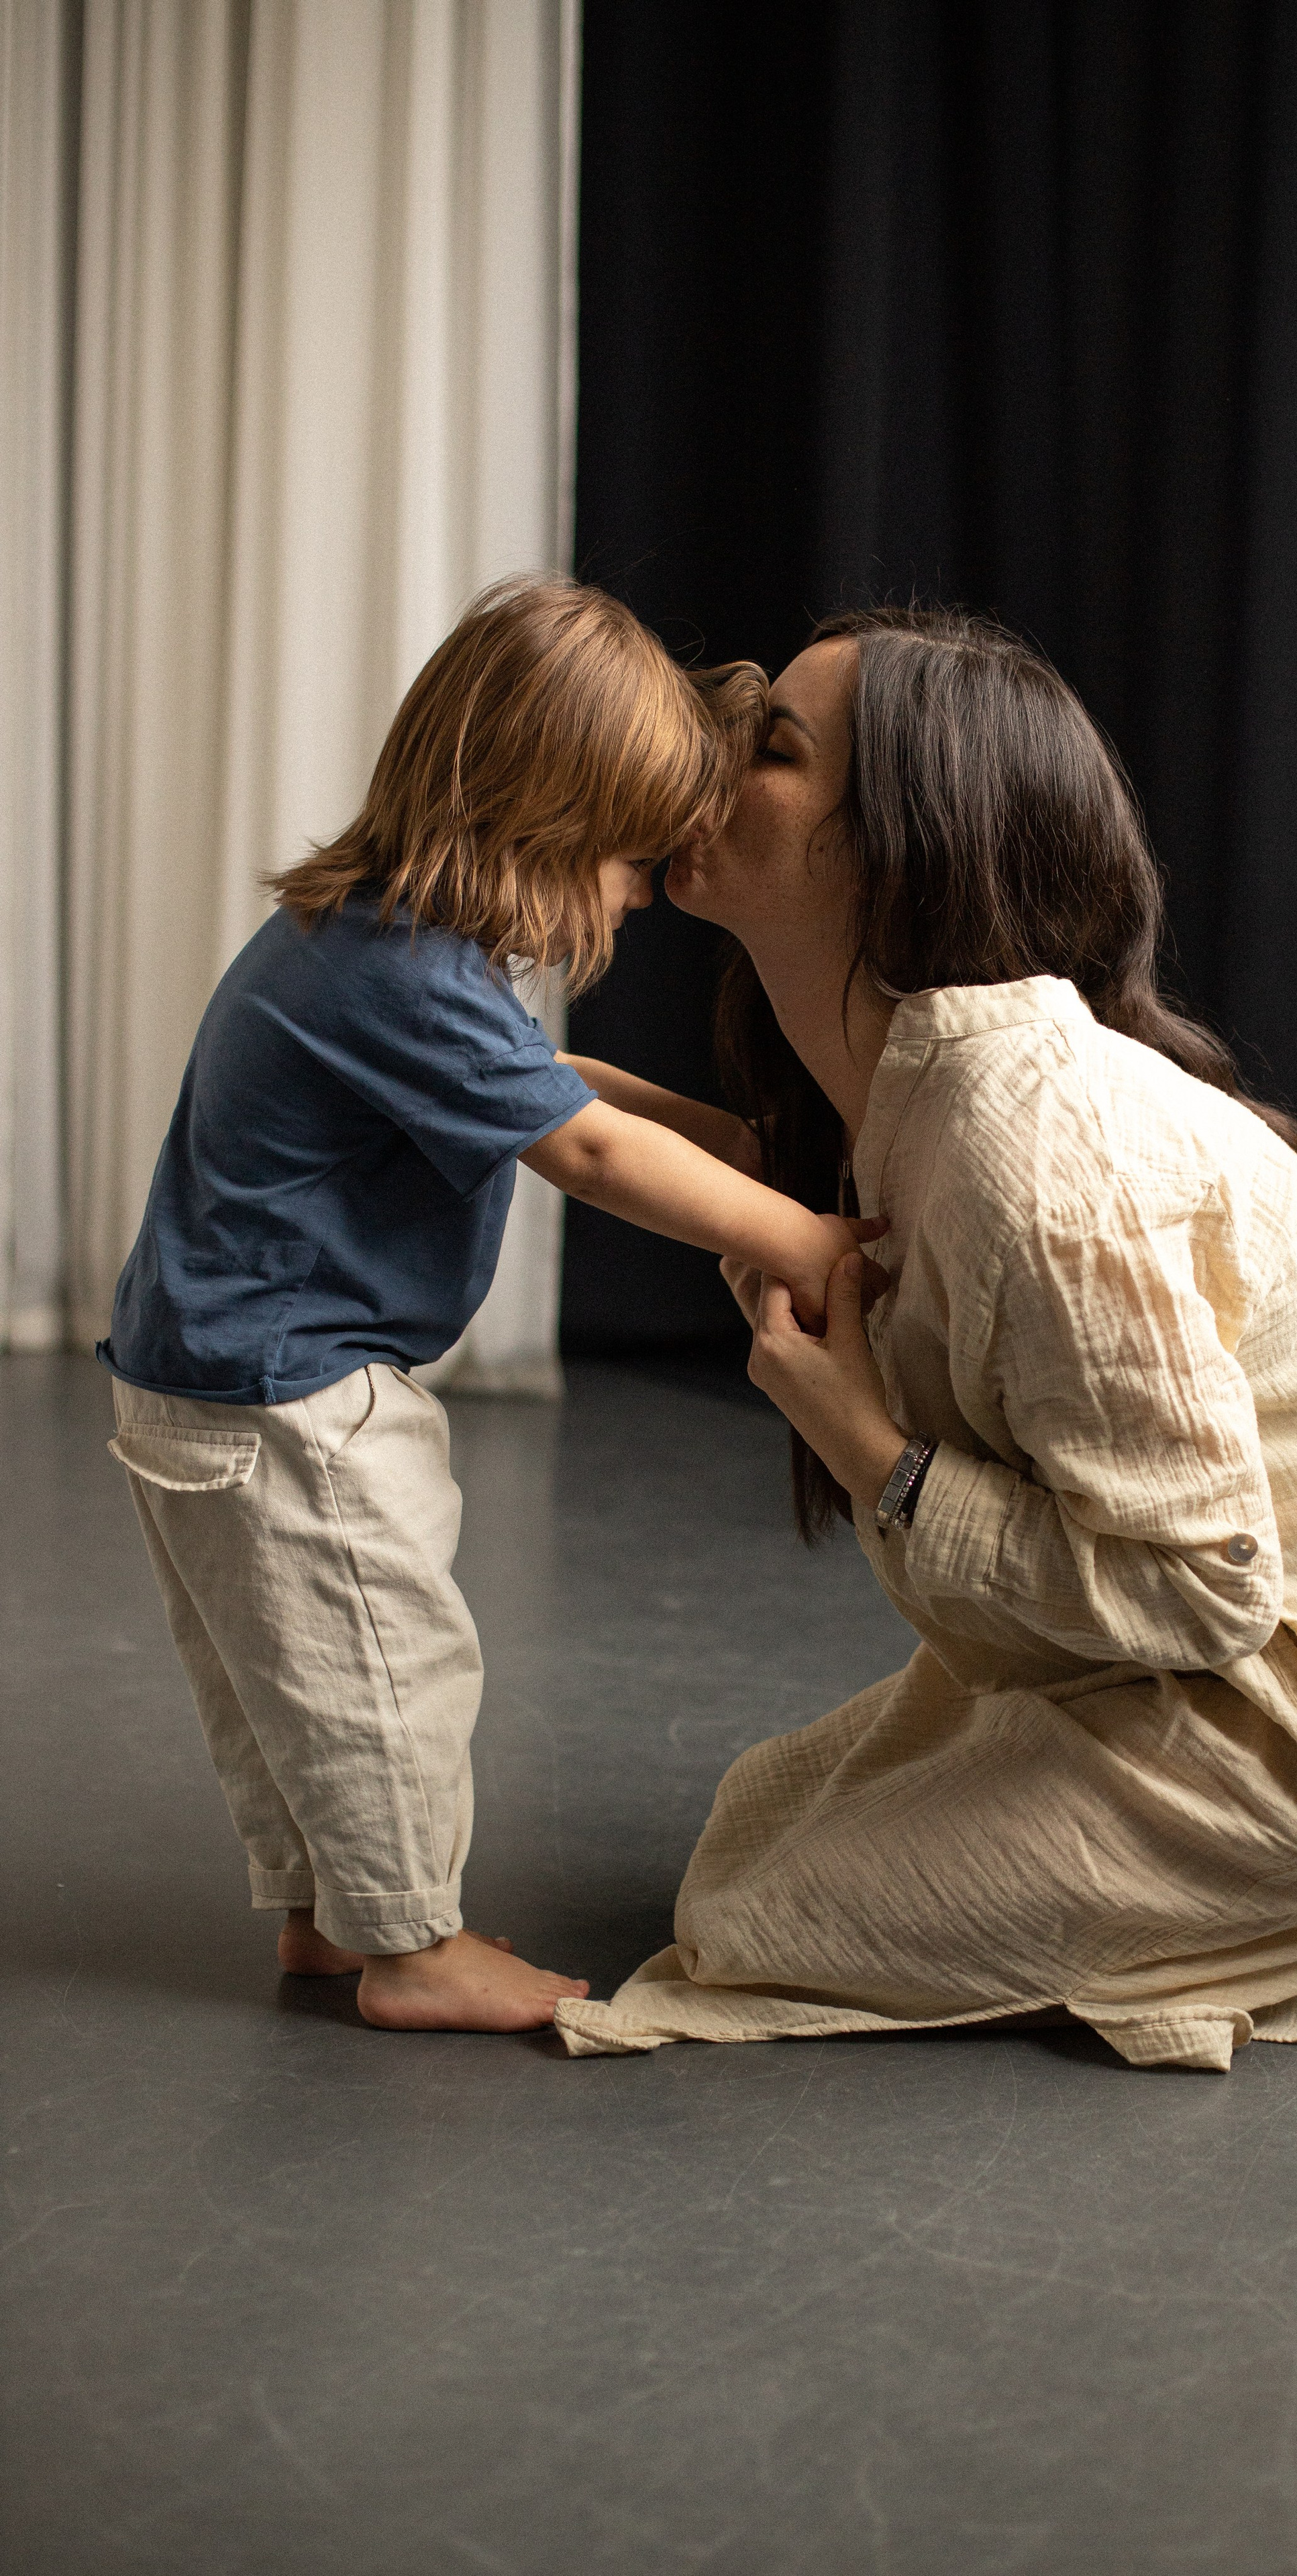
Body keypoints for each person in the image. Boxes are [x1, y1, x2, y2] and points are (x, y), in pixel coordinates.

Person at [556, 606, 1297, 2072]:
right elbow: (740, 1171)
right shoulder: (919, 1086)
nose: (706, 758)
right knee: (759, 1813)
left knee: (758, 1916)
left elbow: (1198, 1597)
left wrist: (865, 1445)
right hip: (1266, 1666)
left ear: (901, 850)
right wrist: (473, 1063)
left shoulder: (1029, 1146)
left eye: (774, 750)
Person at [101, 578, 876, 2034]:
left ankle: (333, 1920)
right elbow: (577, 1150)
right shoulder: (398, 970)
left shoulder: (379, 943)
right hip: (291, 1390)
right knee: (385, 1657)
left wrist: (728, 1145)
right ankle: (412, 1949)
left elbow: (559, 1089)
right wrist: (815, 1241)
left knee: (290, 1672)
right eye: (628, 861)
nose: (641, 897)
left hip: (201, 1375)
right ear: (532, 822)